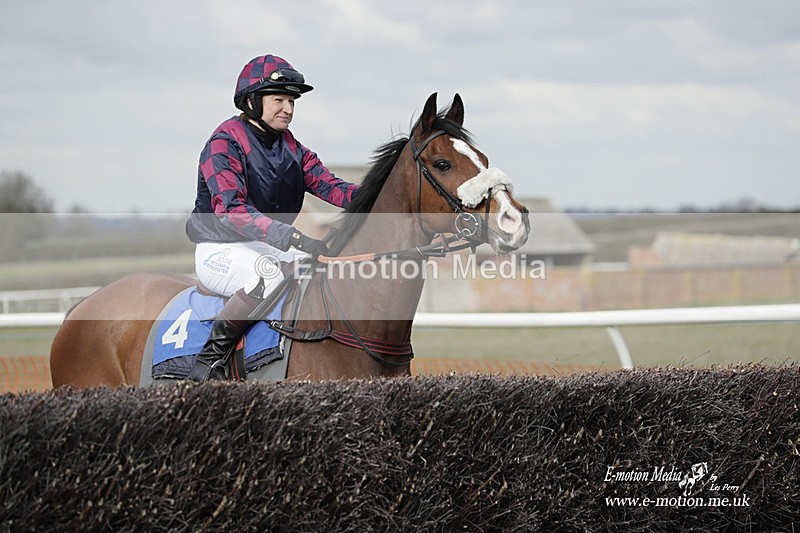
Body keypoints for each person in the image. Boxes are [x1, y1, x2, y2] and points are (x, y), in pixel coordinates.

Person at [185, 54, 359, 381]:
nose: (288, 109)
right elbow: (232, 211)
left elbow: (332, 186)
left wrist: (378, 195)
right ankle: (209, 363)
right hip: (219, 247)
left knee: (321, 270)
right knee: (264, 277)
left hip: (266, 245)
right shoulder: (224, 143)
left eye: (292, 101)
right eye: (279, 99)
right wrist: (293, 237)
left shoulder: (293, 149)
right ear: (252, 102)